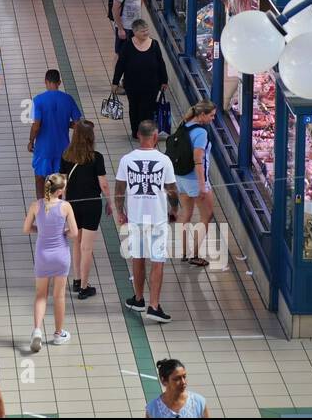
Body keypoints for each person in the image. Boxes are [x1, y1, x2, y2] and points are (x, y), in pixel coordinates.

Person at [115, 120, 177, 324]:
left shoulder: (126, 160)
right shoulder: (164, 160)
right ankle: (154, 305)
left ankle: (139, 298)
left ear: (138, 135)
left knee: (138, 258)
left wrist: (120, 212)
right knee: (157, 261)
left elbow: (119, 190)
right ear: (155, 135)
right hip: (157, 218)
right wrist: (174, 208)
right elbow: (171, 189)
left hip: (136, 217)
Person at [24, 173, 79, 350]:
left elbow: (26, 229)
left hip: (42, 255)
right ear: (61, 191)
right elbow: (74, 233)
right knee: (59, 295)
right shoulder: (66, 207)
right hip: (61, 255)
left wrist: (40, 231)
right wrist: (63, 232)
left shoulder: (36, 205)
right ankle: (58, 333)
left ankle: (37, 331)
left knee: (41, 295)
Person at [61, 120, 109, 299]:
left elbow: (63, 183)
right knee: (87, 248)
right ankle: (84, 287)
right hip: (91, 204)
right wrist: (111, 202)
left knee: (76, 243)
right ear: (90, 137)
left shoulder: (66, 155)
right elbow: (103, 184)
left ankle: (76, 279)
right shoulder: (97, 157)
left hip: (73, 204)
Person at [175, 100, 217, 269]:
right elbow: (198, 159)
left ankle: (184, 252)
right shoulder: (200, 132)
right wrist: (202, 186)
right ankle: (195, 254)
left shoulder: (184, 125)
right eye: (211, 115)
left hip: (181, 178)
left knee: (186, 213)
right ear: (202, 115)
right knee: (207, 216)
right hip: (195, 180)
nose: (213, 119)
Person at [28, 69, 83, 199]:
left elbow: (36, 126)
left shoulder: (38, 100)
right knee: (57, 183)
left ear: (46, 82)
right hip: (62, 149)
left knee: (40, 179)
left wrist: (31, 141)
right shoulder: (68, 99)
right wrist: (65, 124)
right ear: (59, 82)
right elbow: (78, 124)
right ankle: (55, 209)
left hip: (43, 148)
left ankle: (42, 208)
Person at [112, 18, 170, 141]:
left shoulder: (154, 44)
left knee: (148, 109)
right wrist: (115, 82)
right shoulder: (128, 46)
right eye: (143, 31)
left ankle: (146, 133)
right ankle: (135, 131)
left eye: (147, 30)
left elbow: (161, 63)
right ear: (135, 32)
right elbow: (120, 65)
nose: (146, 33)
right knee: (134, 108)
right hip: (132, 85)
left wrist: (164, 80)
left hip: (151, 85)